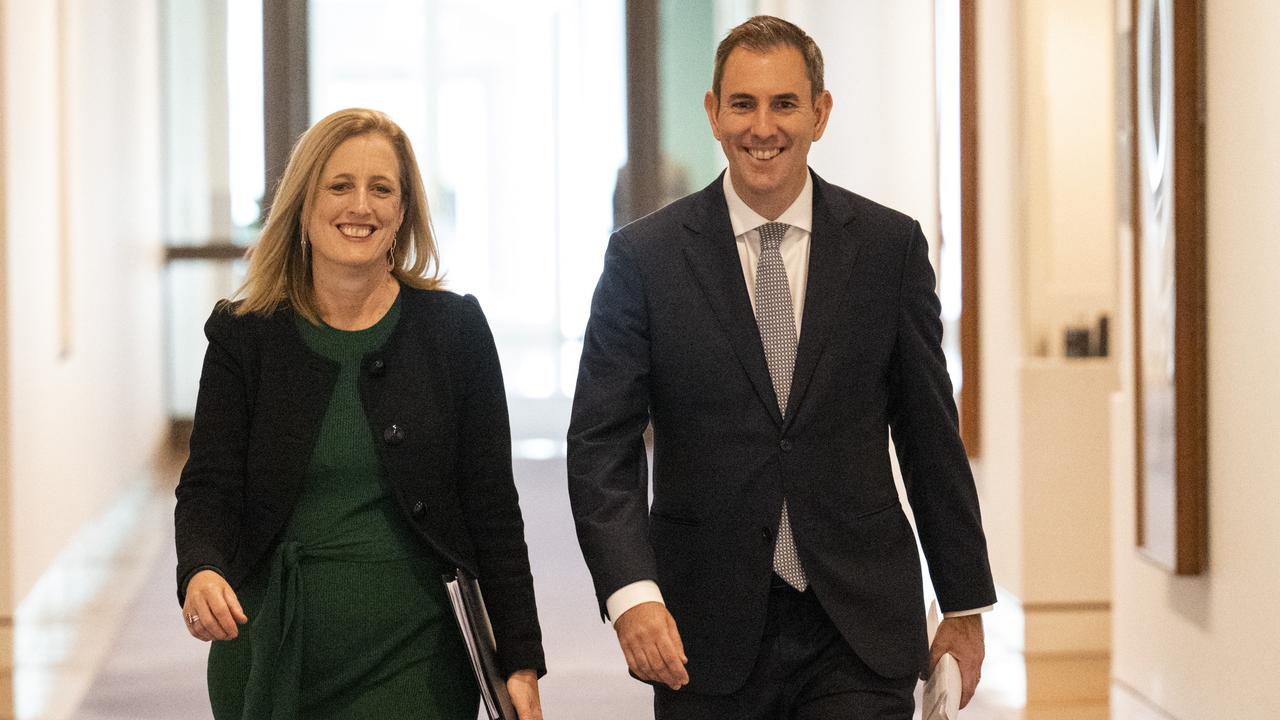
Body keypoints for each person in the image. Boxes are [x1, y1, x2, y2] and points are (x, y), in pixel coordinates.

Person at [567, 16, 996, 720]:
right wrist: (631, 595)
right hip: (702, 627)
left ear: (820, 113)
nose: (762, 127)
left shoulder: (889, 251)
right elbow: (599, 447)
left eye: (784, 104)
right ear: (713, 113)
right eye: (742, 104)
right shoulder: (644, 261)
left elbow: (929, 437)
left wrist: (964, 600)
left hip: (857, 625)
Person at [175, 107, 545, 720]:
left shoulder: (454, 332)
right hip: (271, 648)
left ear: (402, 212)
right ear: (304, 203)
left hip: (416, 657)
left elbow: (492, 509)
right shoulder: (245, 336)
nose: (361, 206)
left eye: (382, 189)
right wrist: (201, 570)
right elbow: (210, 483)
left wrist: (521, 660)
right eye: (340, 186)